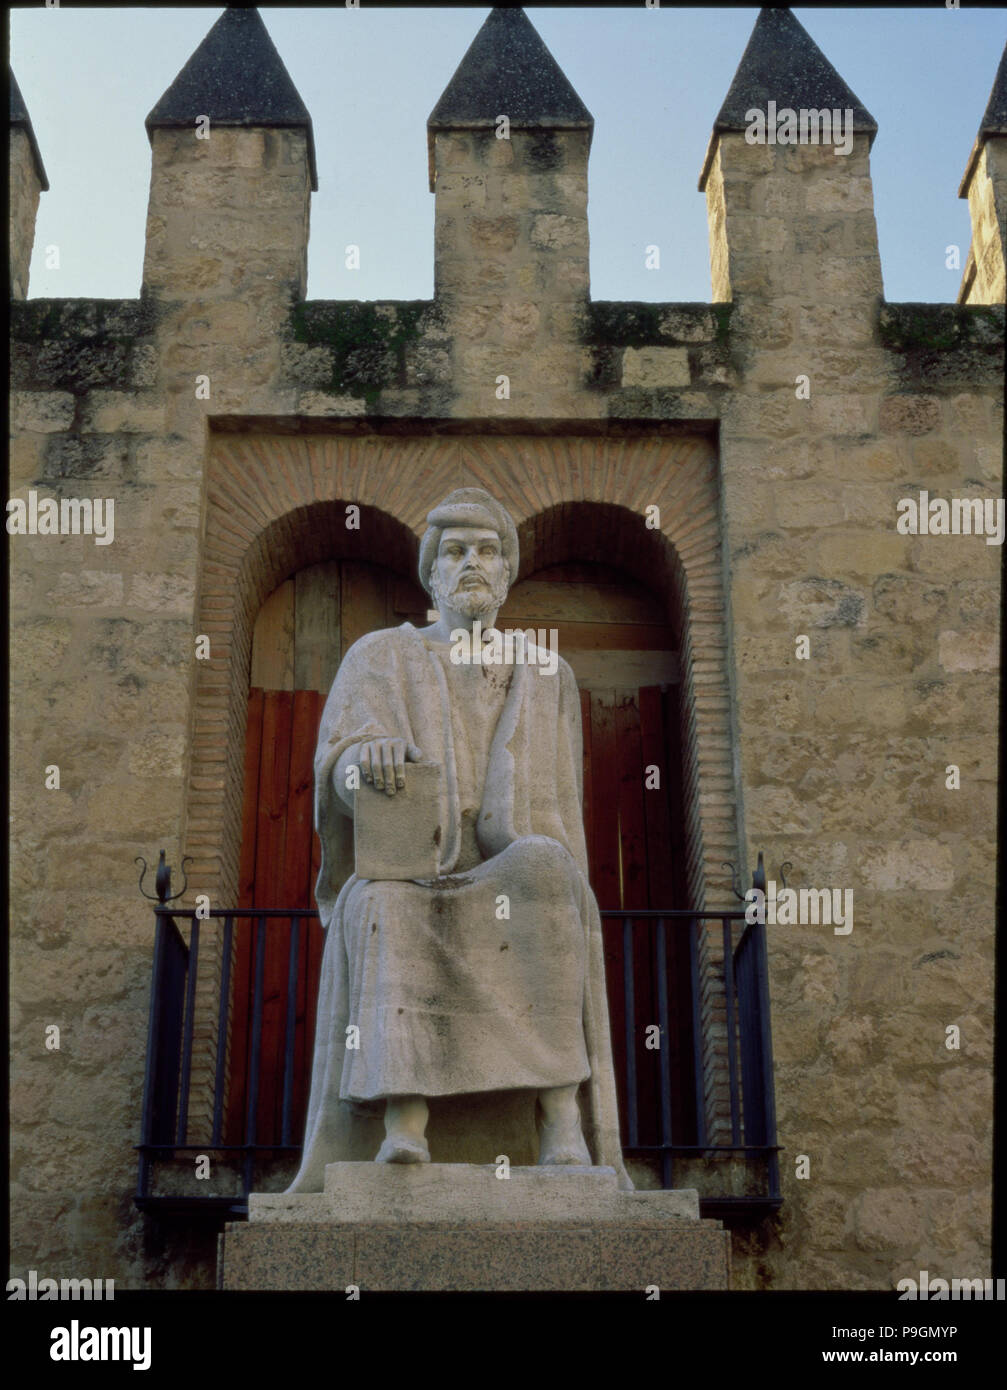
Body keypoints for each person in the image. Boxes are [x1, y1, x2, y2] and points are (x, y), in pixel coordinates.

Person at [286, 488, 630, 1191]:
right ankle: (404, 1125)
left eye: (486, 550)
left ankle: (561, 1124)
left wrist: (542, 854)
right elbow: (339, 765)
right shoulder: (380, 655)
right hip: (414, 864)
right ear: (432, 573)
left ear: (505, 572)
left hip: (506, 865)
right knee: (382, 901)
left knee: (548, 870)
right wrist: (366, 761)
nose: (470, 562)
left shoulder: (546, 674)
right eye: (454, 551)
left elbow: (557, 805)